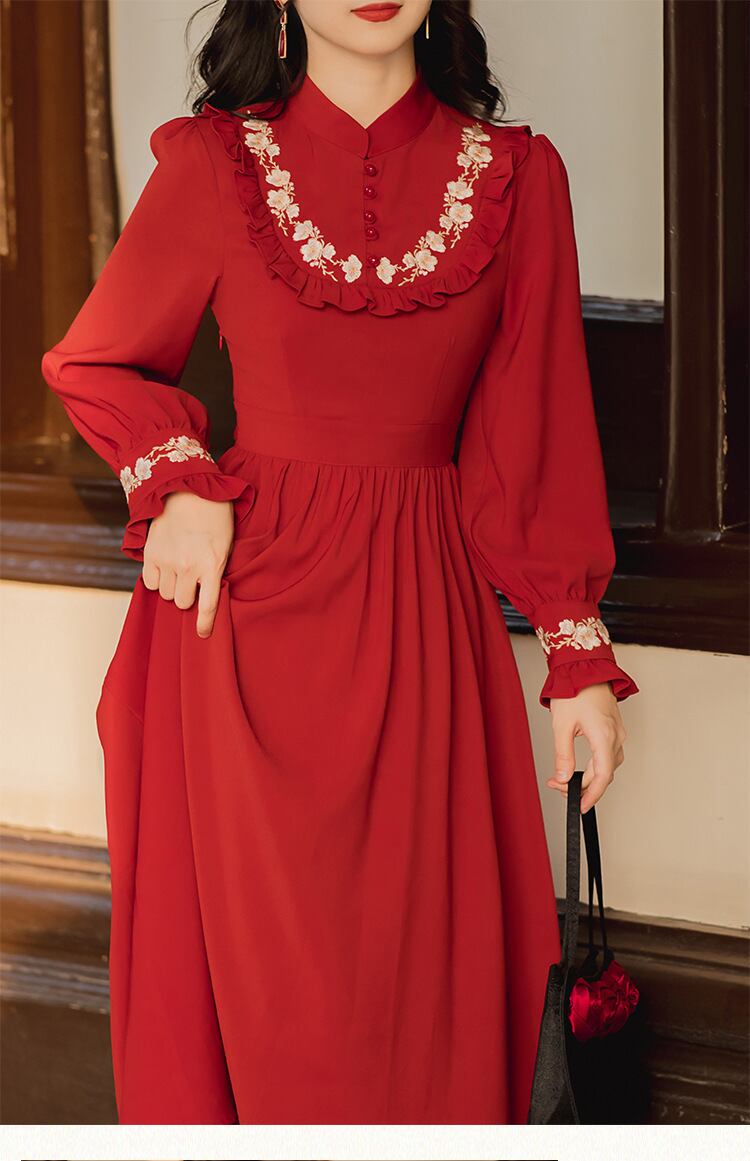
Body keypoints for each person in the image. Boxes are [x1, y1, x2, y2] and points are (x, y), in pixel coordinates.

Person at [40, 0, 638, 1126]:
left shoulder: (517, 179)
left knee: (421, 1000)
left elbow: (534, 437)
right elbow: (96, 361)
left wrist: (577, 653)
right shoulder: (216, 163)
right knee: (264, 1004)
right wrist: (179, 483)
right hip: (238, 638)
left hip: (426, 633)